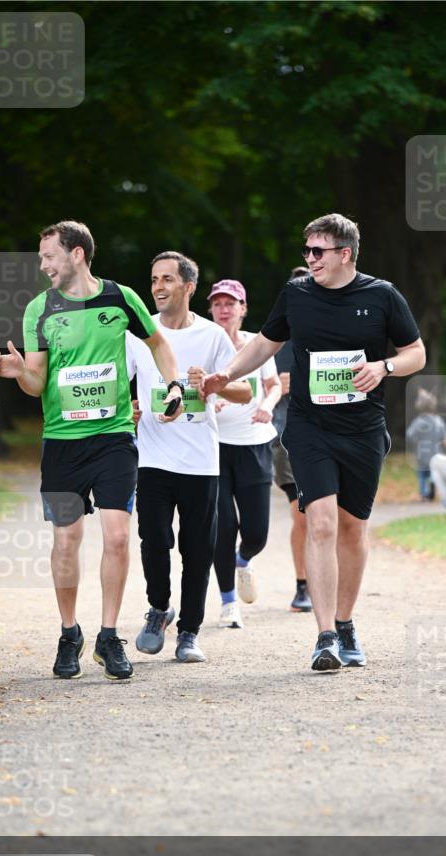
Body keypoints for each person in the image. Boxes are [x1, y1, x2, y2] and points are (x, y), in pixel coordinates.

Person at [202, 213, 426, 671]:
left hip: (363, 428)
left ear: (345, 253)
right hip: (309, 427)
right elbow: (264, 343)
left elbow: (416, 353)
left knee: (352, 528)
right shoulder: (297, 294)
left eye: (317, 251)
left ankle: (346, 624)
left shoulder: (381, 295)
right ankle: (324, 636)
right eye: (306, 251)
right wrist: (227, 373)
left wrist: (383, 368)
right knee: (319, 521)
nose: (309, 259)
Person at [0, 220, 182, 681]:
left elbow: (158, 343)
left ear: (76, 254)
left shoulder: (119, 297)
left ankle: (108, 634)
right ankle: (69, 633)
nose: (43, 266)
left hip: (114, 437)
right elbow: (37, 381)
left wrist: (173, 383)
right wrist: (21, 371)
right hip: (62, 441)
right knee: (66, 541)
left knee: (118, 536)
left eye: (49, 257)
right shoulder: (39, 309)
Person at [126, 253, 250, 663]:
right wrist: (130, 407)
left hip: (199, 460)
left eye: (167, 279)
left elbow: (244, 393)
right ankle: (159, 608)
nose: (158, 286)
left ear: (189, 287)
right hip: (153, 456)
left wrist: (213, 385)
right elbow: (120, 384)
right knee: (154, 540)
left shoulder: (213, 336)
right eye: (154, 279)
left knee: (197, 549)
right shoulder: (138, 334)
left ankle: (189, 632)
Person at [208, 279, 282, 629]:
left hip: (254, 443)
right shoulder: (203, 342)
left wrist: (266, 405)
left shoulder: (256, 344)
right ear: (210, 309)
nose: (224, 309)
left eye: (231, 303)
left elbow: (274, 385)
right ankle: (228, 603)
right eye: (218, 303)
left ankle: (243, 559)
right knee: (222, 526)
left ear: (243, 308)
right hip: (214, 447)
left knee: (257, 532)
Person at [271, 265, 313, 611]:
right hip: (286, 434)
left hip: (330, 434)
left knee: (330, 516)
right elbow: (255, 383)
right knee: (302, 514)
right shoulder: (275, 340)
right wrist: (275, 387)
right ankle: (303, 585)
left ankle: (325, 580)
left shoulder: (333, 330)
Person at [405, 388, 446, 501]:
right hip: (436, 452)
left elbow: (410, 435)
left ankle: (423, 494)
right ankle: (433, 483)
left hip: (422, 452)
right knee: (434, 471)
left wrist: (417, 440)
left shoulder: (419, 421)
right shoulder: (438, 420)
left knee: (422, 474)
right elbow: (443, 435)